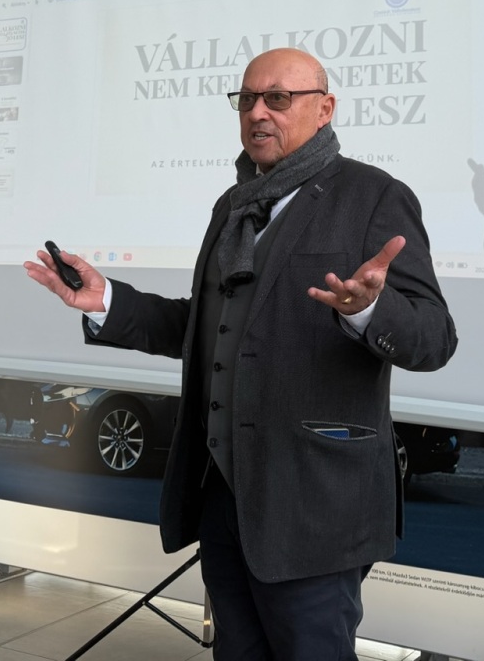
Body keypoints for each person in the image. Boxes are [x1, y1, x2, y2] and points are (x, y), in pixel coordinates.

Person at [25, 48, 457, 660]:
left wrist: (367, 310)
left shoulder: (373, 196)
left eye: (278, 98)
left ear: (325, 109)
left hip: (313, 501)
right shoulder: (233, 207)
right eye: (247, 99)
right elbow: (208, 328)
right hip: (223, 497)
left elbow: (435, 337)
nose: (258, 112)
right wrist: (108, 302)